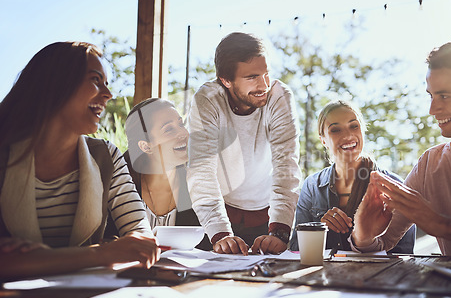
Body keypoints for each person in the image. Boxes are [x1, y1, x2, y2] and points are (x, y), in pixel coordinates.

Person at [0, 41, 160, 280]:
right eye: (96, 80)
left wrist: (40, 259)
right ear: (53, 84)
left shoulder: (106, 156)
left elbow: (142, 243)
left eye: (106, 83)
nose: (108, 95)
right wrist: (101, 253)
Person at [351, 38, 451, 256]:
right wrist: (364, 236)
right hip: (449, 290)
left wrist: (444, 226)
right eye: (431, 95)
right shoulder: (429, 165)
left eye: (444, 96)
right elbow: (384, 243)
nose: (432, 109)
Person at [187, 32, 301, 255]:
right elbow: (202, 171)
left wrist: (279, 232)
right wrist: (220, 233)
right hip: (218, 215)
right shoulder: (207, 100)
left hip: (269, 216)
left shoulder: (280, 98)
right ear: (226, 81)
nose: (264, 85)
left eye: (266, 74)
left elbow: (286, 166)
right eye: (252, 77)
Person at [289, 100, 415, 253]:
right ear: (323, 140)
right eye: (335, 130)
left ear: (363, 130)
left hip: (378, 276)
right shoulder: (311, 186)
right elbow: (297, 249)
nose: (348, 135)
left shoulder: (394, 185)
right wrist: (318, 231)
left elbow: (403, 254)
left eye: (354, 126)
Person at [124, 98, 211, 249]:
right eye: (169, 129)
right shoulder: (121, 185)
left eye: (181, 124)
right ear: (146, 146)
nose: (183, 133)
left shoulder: (199, 183)